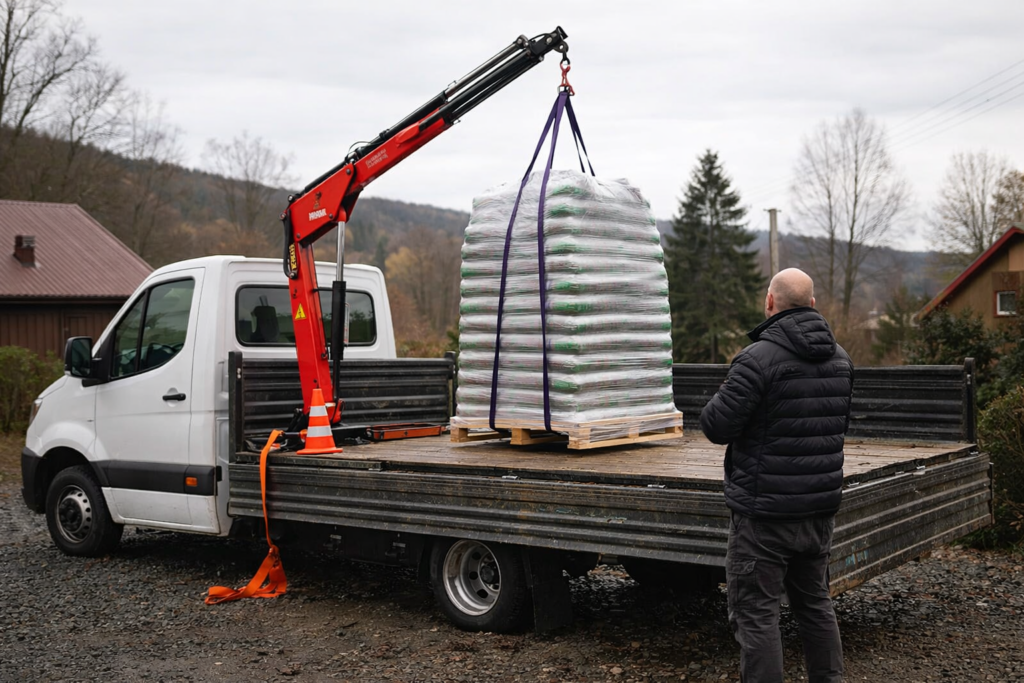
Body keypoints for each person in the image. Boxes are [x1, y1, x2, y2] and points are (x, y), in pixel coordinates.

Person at [699, 268, 853, 683]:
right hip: (818, 512)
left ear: (770, 302)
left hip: (764, 517)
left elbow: (716, 426)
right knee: (816, 604)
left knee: (756, 615)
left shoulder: (756, 360)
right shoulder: (841, 359)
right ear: (813, 304)